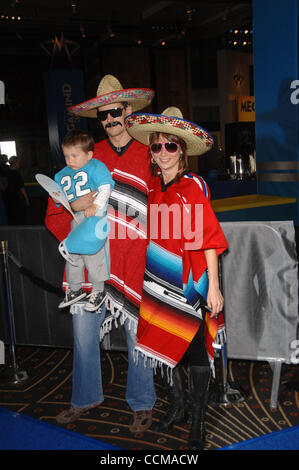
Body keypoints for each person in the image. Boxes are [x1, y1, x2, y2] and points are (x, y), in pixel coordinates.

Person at [45, 75, 157, 432]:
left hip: (135, 261)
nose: (110, 120)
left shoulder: (149, 154)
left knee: (137, 336)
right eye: (103, 115)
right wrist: (74, 226)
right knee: (82, 333)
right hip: (92, 260)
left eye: (115, 112)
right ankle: (84, 397)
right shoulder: (85, 157)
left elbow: (164, 206)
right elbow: (56, 209)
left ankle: (142, 402)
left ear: (128, 111)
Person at [125, 106, 229, 450]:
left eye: (171, 146)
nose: (164, 153)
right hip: (157, 281)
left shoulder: (193, 186)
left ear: (182, 150)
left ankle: (197, 421)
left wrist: (213, 286)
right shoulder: (152, 188)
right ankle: (179, 406)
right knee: (164, 342)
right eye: (157, 147)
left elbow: (208, 238)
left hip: (191, 282)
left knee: (197, 353)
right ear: (152, 153)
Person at [53, 129, 114, 311]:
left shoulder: (96, 166)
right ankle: (75, 289)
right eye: (66, 156)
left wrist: (96, 206)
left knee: (95, 254)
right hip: (75, 217)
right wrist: (58, 198)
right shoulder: (62, 173)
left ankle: (98, 290)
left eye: (74, 155)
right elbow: (60, 198)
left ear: (89, 155)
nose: (69, 160)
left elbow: (105, 187)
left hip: (95, 217)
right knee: (73, 253)